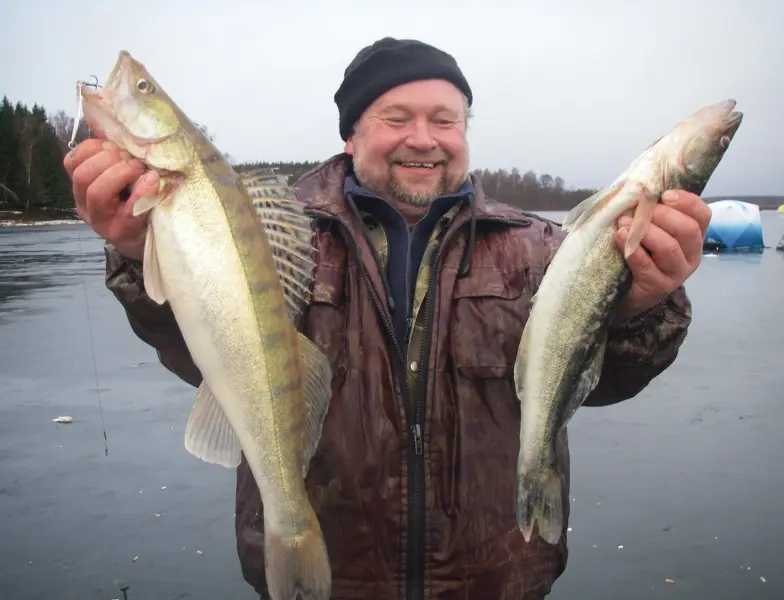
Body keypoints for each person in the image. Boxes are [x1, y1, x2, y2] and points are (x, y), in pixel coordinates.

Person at [63, 37, 708, 600]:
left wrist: (640, 305)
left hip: (497, 581)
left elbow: (601, 381)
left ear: (465, 131)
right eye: (395, 117)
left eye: (445, 120)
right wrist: (133, 251)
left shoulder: (543, 250)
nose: (423, 139)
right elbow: (202, 350)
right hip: (329, 582)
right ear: (352, 133)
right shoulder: (265, 231)